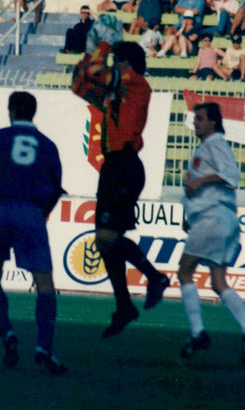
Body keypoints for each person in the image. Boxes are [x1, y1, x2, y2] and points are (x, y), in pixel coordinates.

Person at [71, 23, 171, 338]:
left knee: (108, 239)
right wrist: (90, 52)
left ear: (125, 62)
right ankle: (127, 302)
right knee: (105, 240)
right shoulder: (118, 92)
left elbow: (98, 74)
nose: (112, 62)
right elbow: (78, 85)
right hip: (115, 166)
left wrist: (100, 45)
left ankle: (151, 281)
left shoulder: (136, 83)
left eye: (116, 58)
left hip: (124, 164)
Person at [0, 91, 67, 376]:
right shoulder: (48, 145)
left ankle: (7, 333)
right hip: (28, 212)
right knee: (44, 282)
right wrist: (41, 215)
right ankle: (44, 346)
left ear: (10, 111)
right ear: (33, 112)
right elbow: (56, 189)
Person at [179, 102, 245, 363]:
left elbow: (231, 175)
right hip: (222, 219)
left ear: (213, 122)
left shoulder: (216, 144)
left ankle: (198, 333)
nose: (195, 122)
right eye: (195, 118)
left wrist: (200, 181)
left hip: (213, 218)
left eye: (200, 118)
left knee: (184, 272)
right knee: (218, 282)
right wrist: (189, 212)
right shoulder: (208, 147)